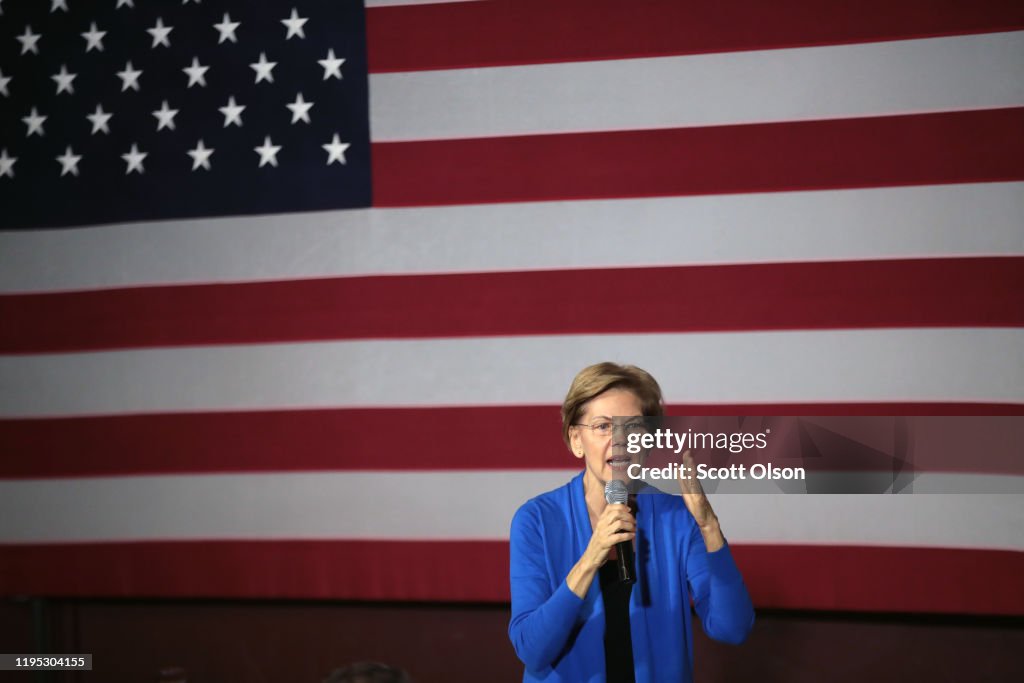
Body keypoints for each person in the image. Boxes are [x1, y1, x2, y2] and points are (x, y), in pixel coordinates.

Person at [508, 362, 754, 682]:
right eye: (603, 426)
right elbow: (531, 649)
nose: (620, 440)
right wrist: (590, 558)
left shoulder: (678, 517)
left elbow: (733, 629)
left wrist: (709, 528)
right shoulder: (536, 520)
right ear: (576, 439)